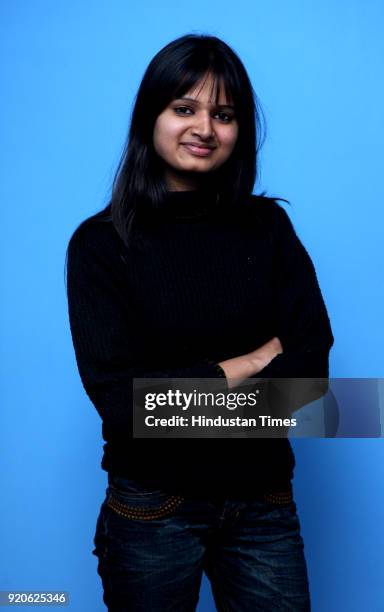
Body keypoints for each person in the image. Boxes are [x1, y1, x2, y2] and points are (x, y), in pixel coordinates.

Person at [65, 33, 333, 611]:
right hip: (152, 507)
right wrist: (254, 361)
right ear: (151, 118)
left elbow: (311, 386)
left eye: (224, 114)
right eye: (184, 108)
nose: (204, 129)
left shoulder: (268, 229)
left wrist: (176, 395)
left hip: (263, 501)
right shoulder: (100, 245)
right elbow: (126, 407)